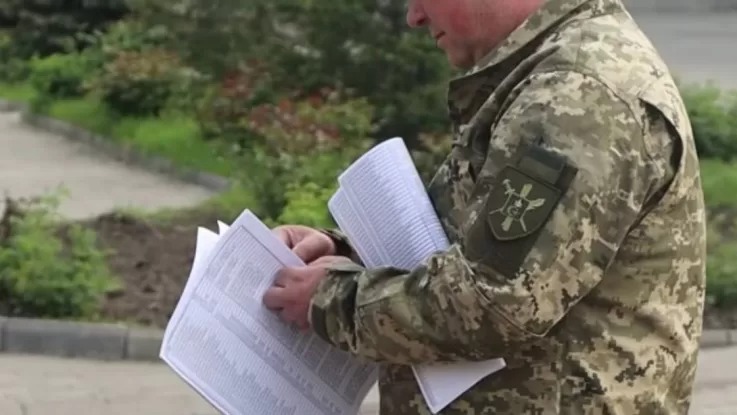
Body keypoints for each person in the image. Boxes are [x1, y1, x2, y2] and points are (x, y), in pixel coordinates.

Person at [262, 0, 707, 412]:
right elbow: (479, 248)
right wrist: (348, 255)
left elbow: (495, 303)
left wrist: (331, 299)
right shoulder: (548, 74)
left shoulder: (576, 95)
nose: (414, 17)